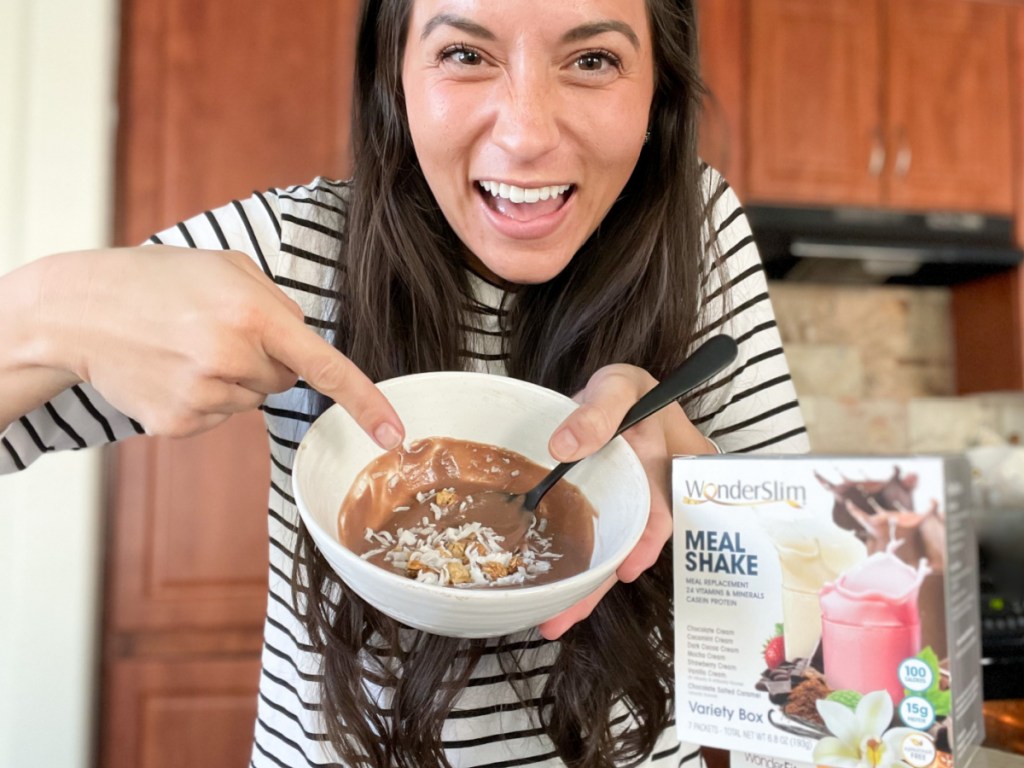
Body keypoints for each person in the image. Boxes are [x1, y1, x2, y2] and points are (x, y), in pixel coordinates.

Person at [0, 0, 809, 765]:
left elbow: (823, 662)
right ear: (395, 73)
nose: (527, 133)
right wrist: (42, 311)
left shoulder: (697, 230)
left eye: (593, 58)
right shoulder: (288, 250)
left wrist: (719, 508)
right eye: (465, 53)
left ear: (658, 86)